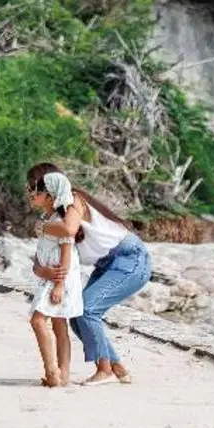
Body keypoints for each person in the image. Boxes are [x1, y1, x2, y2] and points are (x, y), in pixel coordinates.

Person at [28, 162, 152, 386]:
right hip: (107, 264)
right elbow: (45, 255)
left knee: (89, 309)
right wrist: (43, 270)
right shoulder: (55, 215)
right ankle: (118, 367)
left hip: (130, 258)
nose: (32, 192)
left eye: (35, 187)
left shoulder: (73, 201)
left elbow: (69, 230)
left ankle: (105, 369)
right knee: (77, 315)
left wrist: (41, 227)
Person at [26, 170, 83, 387]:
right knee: (59, 325)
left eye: (37, 192)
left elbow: (67, 251)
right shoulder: (48, 219)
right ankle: (62, 375)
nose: (33, 194)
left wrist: (59, 285)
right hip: (49, 277)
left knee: (38, 320)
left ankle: (53, 372)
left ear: (50, 196)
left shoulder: (59, 221)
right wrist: (39, 269)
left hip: (59, 279)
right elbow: (42, 251)